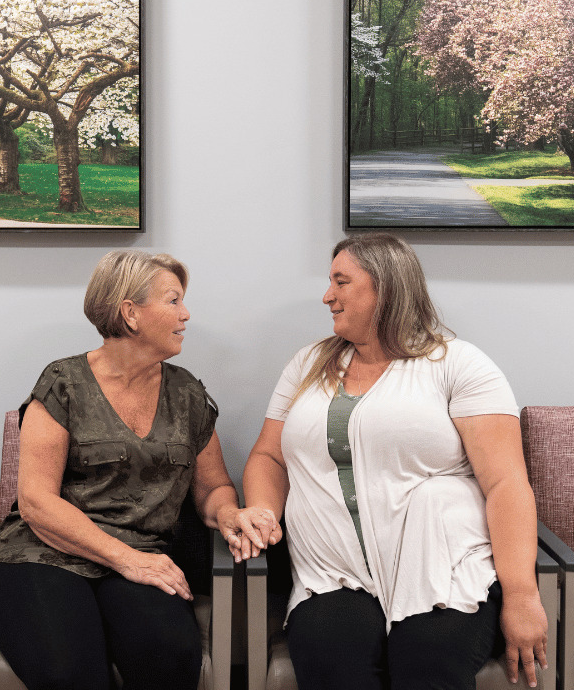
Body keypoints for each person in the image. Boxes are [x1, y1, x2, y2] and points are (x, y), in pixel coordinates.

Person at [233, 233, 549, 690]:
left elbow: (506, 484)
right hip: (332, 572)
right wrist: (264, 509)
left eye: (341, 283)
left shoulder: (459, 364)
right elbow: (269, 456)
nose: (327, 296)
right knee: (335, 668)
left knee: (425, 668)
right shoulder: (307, 365)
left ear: (386, 289)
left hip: (444, 569)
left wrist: (522, 595)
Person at [0, 250, 244, 690]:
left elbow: (213, 486)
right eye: (174, 301)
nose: (186, 314)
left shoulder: (188, 393)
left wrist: (230, 514)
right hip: (44, 555)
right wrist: (128, 561)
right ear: (130, 313)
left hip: (143, 555)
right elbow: (36, 502)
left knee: (171, 657)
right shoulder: (63, 383)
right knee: (70, 673)